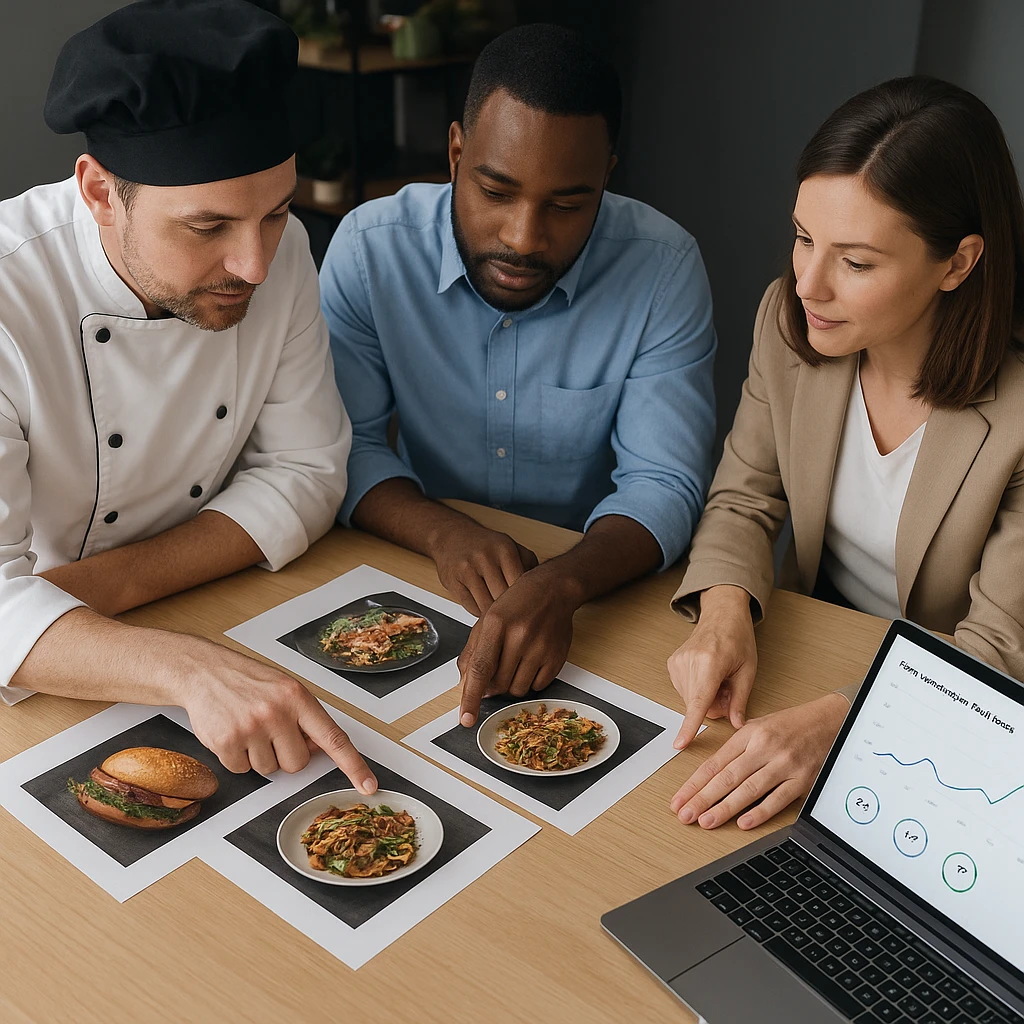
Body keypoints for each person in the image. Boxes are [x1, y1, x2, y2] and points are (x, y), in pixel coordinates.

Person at [0, 0, 376, 794]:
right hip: (43, 686)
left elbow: (308, 472)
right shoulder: (8, 294)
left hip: (168, 614)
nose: (255, 266)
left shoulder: (287, 252)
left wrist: (96, 591)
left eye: (276, 212)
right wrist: (188, 667)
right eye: (207, 228)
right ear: (100, 192)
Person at [321, 24, 717, 727]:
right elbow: (342, 444)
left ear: (606, 179)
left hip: (604, 587)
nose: (524, 237)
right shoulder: (367, 250)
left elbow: (665, 483)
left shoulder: (663, 267)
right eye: (496, 190)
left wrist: (562, 584)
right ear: (454, 154)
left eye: (568, 204)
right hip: (417, 563)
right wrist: (444, 534)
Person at [666, 76, 1024, 832]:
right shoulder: (787, 322)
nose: (807, 283)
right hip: (811, 657)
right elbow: (744, 497)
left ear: (958, 263)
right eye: (802, 236)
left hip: (954, 727)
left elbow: (997, 647)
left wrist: (841, 721)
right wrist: (724, 612)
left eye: (856, 262)